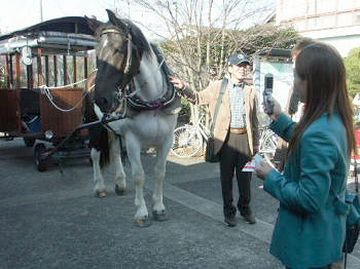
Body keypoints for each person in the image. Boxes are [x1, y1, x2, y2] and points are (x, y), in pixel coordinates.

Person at [255, 42, 355, 268]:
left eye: (296, 76)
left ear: (311, 82)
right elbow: (308, 140)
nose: (294, 82)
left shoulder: (318, 133)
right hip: (327, 236)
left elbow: (309, 199)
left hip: (308, 245)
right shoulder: (335, 119)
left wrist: (270, 175)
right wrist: (278, 117)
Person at [170, 53, 259, 227]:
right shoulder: (217, 87)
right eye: (239, 66)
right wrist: (183, 87)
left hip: (244, 139)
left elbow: (254, 120)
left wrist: (256, 144)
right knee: (226, 178)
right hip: (224, 139)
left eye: (245, 66)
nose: (243, 69)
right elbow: (197, 98)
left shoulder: (251, 90)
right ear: (230, 68)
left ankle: (245, 208)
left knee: (246, 178)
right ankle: (229, 212)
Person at [273, 38, 315, 171]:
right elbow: (294, 131)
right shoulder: (295, 90)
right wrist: (279, 157)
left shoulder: (324, 114)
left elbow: (311, 190)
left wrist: (270, 178)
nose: (295, 77)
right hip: (291, 156)